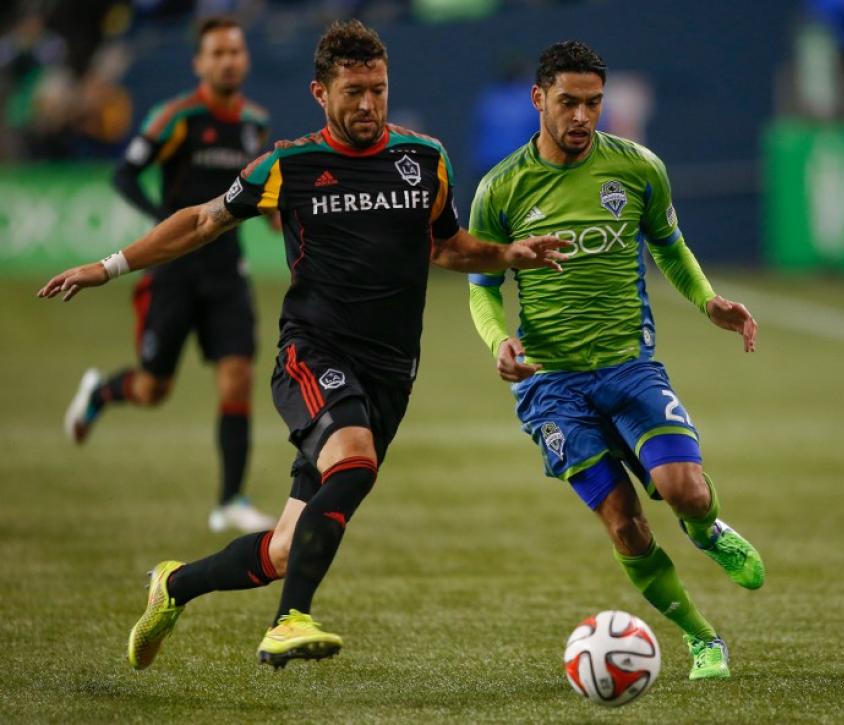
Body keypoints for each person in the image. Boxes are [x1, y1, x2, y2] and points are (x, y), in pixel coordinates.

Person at [38, 19, 565, 670]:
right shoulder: (289, 166)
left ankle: (174, 585)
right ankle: (290, 618)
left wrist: (506, 252)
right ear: (321, 92)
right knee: (353, 462)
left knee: (286, 548)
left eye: (378, 89)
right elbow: (202, 219)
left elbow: (447, 244)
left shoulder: (424, 159)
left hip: (392, 373)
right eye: (353, 92)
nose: (368, 104)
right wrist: (109, 265)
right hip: (312, 354)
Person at [467, 41, 764, 681]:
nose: (582, 116)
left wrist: (708, 301)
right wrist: (500, 343)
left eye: (593, 103)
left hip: (629, 366)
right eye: (568, 102)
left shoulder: (637, 169)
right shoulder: (501, 189)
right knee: (626, 526)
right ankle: (702, 639)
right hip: (551, 387)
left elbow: (671, 247)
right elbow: (482, 288)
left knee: (686, 491)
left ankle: (707, 530)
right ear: (538, 98)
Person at [62, 16, 275, 534]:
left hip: (227, 269)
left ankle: (230, 500)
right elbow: (124, 172)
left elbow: (258, 188)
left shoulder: (255, 122)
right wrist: (163, 221)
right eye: (217, 53)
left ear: (244, 59)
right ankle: (101, 392)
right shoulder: (176, 117)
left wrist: (276, 214)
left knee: (237, 374)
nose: (228, 60)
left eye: (235, 51)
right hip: (174, 268)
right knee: (154, 388)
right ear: (199, 63)